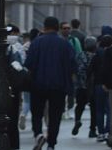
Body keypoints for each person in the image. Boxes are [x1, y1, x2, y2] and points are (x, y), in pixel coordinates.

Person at [28, 16, 79, 150]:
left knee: (37, 113)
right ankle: (51, 143)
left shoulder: (36, 43)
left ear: (44, 27)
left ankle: (38, 134)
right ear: (57, 28)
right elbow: (73, 66)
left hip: (38, 84)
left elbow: (29, 64)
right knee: (55, 116)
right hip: (59, 85)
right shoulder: (65, 44)